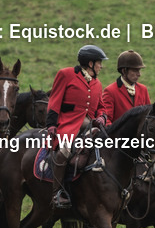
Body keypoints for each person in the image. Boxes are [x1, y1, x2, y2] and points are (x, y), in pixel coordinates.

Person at [45, 45, 110, 208]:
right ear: (90, 63)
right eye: (99, 63)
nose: (101, 66)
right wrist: (51, 124)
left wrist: (102, 116)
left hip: (91, 127)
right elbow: (54, 101)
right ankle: (57, 193)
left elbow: (101, 107)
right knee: (65, 151)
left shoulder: (97, 84)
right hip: (68, 125)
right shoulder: (66, 74)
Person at [101, 50, 151, 126]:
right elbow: (106, 119)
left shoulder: (143, 89)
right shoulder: (110, 91)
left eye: (139, 70)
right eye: (135, 70)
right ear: (124, 71)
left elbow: (149, 116)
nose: (139, 74)